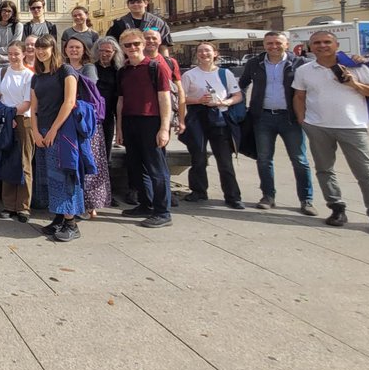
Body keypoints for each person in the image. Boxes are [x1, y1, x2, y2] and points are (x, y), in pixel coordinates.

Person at [293, 31, 369, 237]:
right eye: (317, 43)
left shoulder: (357, 66)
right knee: (324, 170)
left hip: (353, 126)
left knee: (366, 173)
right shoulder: (304, 70)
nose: (322, 46)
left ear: (336, 45)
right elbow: (299, 96)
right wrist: (303, 121)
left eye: (327, 42)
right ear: (311, 47)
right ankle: (336, 207)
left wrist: (354, 84)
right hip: (318, 127)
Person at [239, 31, 315, 214]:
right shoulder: (254, 63)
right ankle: (268, 196)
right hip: (262, 118)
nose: (273, 46)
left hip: (291, 118)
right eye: (269, 43)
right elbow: (242, 84)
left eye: (278, 43)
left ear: (286, 44)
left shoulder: (300, 63)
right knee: (264, 159)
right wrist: (242, 108)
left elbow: (322, 69)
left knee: (299, 160)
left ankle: (306, 200)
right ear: (264, 45)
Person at [116, 28, 173, 228]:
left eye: (136, 44)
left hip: (151, 121)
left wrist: (164, 128)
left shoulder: (156, 67)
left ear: (143, 44)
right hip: (130, 121)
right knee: (136, 167)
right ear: (123, 48)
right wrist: (119, 128)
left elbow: (165, 98)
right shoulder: (123, 71)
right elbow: (121, 101)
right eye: (128, 45)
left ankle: (163, 212)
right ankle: (145, 204)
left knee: (157, 168)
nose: (132, 48)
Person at [181, 43, 244, 210]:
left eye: (207, 51)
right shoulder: (189, 75)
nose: (204, 54)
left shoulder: (225, 73)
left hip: (219, 118)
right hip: (197, 117)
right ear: (196, 55)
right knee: (198, 157)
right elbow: (181, 98)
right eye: (200, 51)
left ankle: (233, 196)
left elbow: (238, 95)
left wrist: (226, 102)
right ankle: (198, 191)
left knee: (225, 160)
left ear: (215, 53)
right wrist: (198, 100)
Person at [30, 36, 81, 240]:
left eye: (45, 47)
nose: (40, 51)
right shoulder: (37, 77)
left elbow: (69, 102)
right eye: (38, 48)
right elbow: (34, 108)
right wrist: (35, 131)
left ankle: (72, 223)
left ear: (53, 49)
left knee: (63, 175)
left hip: (62, 131)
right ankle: (59, 218)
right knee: (50, 177)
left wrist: (53, 130)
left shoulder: (66, 71)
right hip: (42, 130)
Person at [63, 34, 111, 217]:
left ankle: (92, 204)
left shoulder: (89, 67)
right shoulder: (63, 67)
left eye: (77, 47)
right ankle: (77, 201)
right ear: (65, 50)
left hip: (86, 119)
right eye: (70, 47)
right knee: (75, 159)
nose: (74, 50)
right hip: (69, 118)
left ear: (84, 50)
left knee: (90, 158)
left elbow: (86, 88)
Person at [0, 42, 34, 222]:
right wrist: (6, 117)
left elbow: (27, 103)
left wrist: (12, 116)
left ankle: (23, 206)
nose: (13, 57)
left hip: (23, 120)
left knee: (24, 162)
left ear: (23, 54)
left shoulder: (29, 75)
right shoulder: (1, 72)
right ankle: (8, 205)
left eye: (16, 53)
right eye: (10, 54)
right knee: (7, 160)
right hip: (4, 119)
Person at [106, 0, 172, 47]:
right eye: (132, 3)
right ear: (128, 5)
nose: (135, 4)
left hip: (152, 57)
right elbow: (112, 44)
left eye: (139, 2)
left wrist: (165, 58)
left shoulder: (158, 23)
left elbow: (164, 45)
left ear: (146, 3)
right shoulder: (119, 23)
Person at [93, 37, 123, 160]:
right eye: (101, 50)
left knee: (106, 152)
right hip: (93, 116)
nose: (104, 54)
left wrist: (119, 127)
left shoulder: (118, 71)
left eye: (108, 51)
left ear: (114, 52)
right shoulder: (92, 68)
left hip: (108, 115)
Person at [0, 1, 20, 71]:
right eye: (4, 10)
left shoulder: (18, 26)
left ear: (13, 13)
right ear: (0, 11)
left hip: (11, 63)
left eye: (9, 11)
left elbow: (15, 47)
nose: (6, 13)